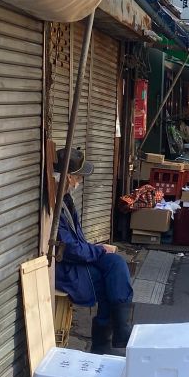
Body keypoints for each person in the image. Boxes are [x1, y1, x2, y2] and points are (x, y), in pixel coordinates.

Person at [54, 148, 133, 354]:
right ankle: (114, 336)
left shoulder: (66, 201)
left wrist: (97, 250)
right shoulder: (55, 207)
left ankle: (114, 336)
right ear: (69, 177)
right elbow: (70, 248)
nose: (80, 181)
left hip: (76, 259)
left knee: (115, 263)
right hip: (66, 267)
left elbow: (76, 243)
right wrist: (98, 251)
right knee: (110, 277)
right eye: (79, 176)